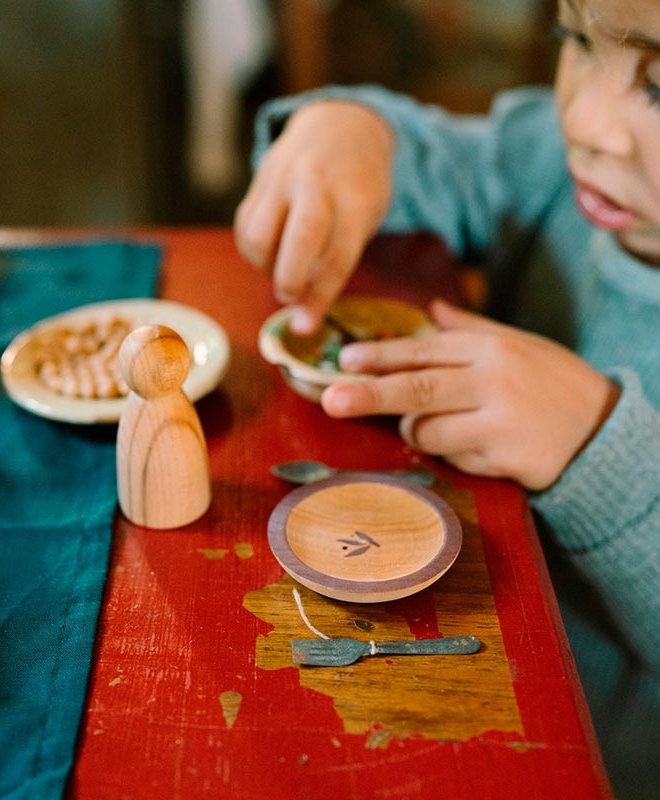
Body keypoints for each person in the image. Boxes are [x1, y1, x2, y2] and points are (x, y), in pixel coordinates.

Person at [233, 0, 660, 797]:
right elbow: (448, 156)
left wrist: (598, 448)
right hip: (431, 670)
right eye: (575, 38)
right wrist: (354, 130)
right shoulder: (553, 167)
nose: (585, 119)